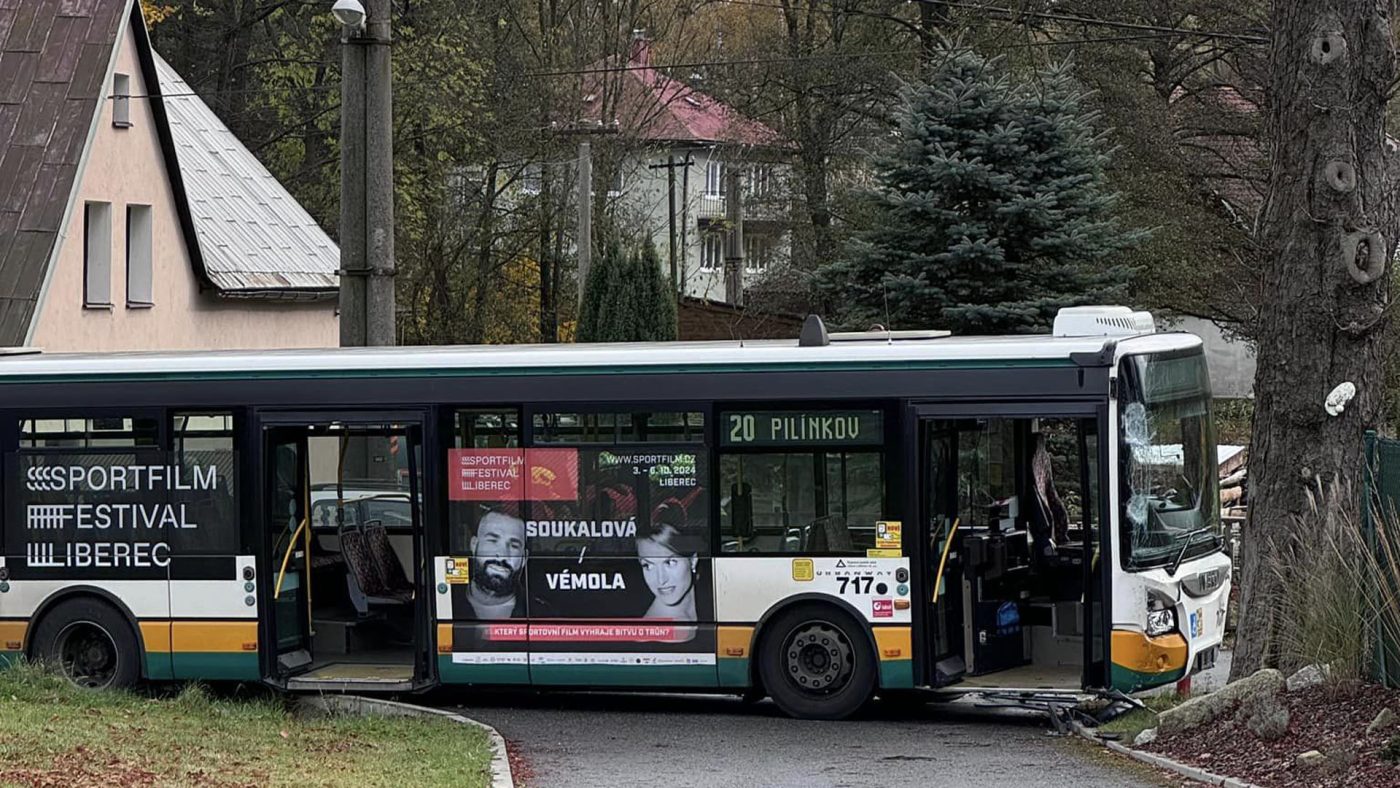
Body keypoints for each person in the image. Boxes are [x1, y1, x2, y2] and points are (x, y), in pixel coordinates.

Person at [634, 504, 702, 631]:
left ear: (693, 560)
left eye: (670, 562)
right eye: (648, 565)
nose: (661, 579)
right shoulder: (652, 631)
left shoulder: (706, 605)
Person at [467, 509, 527, 619]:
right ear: (474, 545)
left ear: (524, 558)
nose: (502, 555)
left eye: (514, 546)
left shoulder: (543, 612)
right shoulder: (447, 601)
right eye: (492, 541)